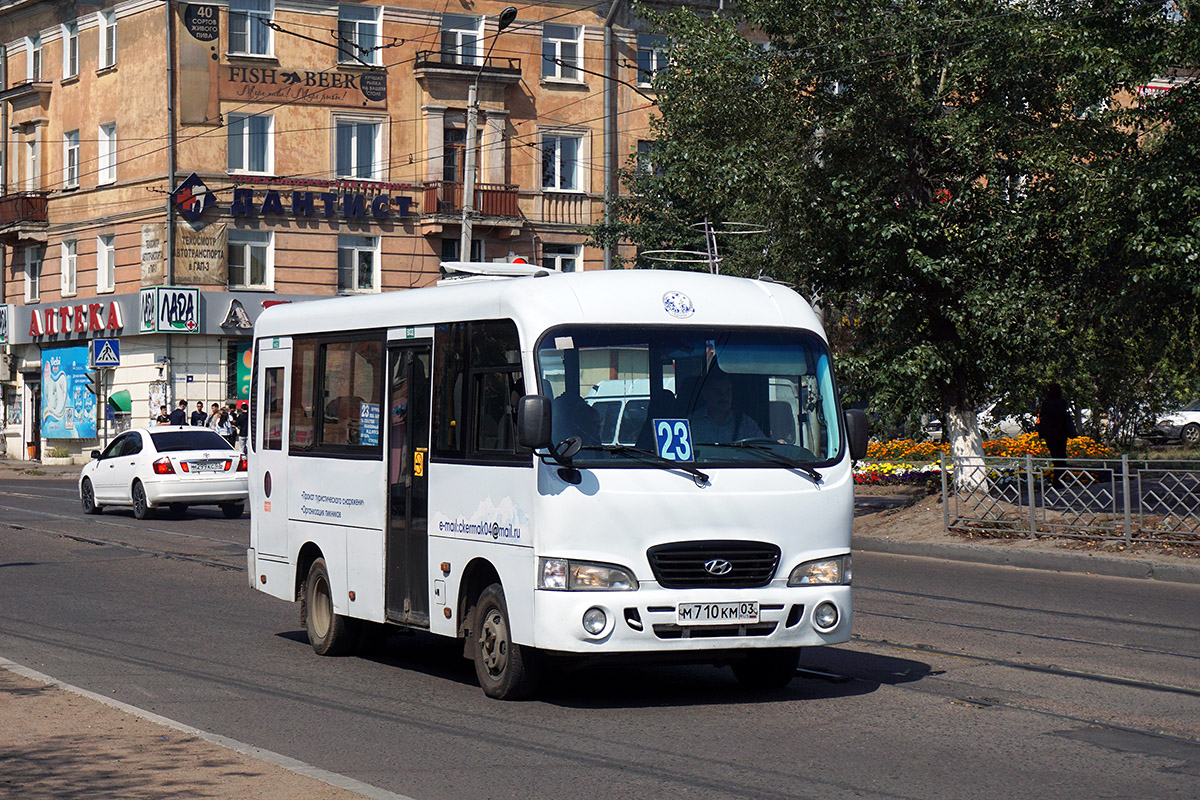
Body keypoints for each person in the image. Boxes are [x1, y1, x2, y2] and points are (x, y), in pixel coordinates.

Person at [689, 369, 764, 444]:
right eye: (718, 392)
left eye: (728, 391)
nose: (725, 398)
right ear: (706, 395)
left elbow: (764, 448)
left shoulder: (745, 423)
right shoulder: (691, 422)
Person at [1037, 383, 1075, 488]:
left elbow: (1042, 417)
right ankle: (1060, 480)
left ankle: (1057, 481)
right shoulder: (1062, 402)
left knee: (1055, 457)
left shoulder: (1046, 403)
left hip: (1050, 434)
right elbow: (1065, 416)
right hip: (1061, 433)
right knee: (1061, 456)